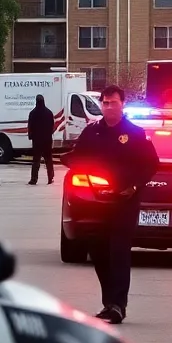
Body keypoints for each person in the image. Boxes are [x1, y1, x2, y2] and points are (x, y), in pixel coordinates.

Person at [61, 85, 160, 325]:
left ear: (122, 104)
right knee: (98, 251)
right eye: (105, 103)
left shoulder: (135, 133)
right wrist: (69, 162)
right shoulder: (92, 132)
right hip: (95, 202)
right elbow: (78, 156)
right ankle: (109, 303)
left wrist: (135, 186)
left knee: (118, 252)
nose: (108, 107)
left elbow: (151, 164)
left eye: (112, 103)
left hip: (124, 201)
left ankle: (118, 305)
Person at [27, 93, 56, 185]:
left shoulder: (32, 113)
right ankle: (50, 177)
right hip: (47, 140)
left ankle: (34, 179)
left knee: (36, 160)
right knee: (48, 160)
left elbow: (30, 126)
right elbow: (52, 126)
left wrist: (31, 136)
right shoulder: (49, 113)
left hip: (37, 141)